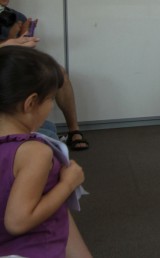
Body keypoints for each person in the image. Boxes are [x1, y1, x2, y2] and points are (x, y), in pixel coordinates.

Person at [0, 46, 91, 257]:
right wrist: (68, 183)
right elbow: (18, 221)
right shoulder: (35, 153)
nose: (51, 106)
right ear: (30, 103)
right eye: (50, 99)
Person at [0, 0, 89, 151]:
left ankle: (74, 131)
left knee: (57, 72)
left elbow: (21, 53)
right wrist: (11, 39)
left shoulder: (17, 17)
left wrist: (25, 38)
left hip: (14, 66)